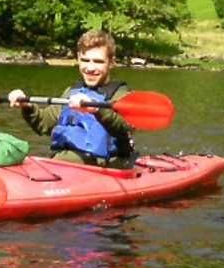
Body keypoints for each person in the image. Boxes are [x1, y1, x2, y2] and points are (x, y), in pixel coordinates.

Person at [8, 28, 136, 169]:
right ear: (78, 59)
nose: (90, 68)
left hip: (103, 168)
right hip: (65, 163)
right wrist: (27, 105)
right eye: (85, 60)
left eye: (98, 62)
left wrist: (96, 109)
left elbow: (125, 129)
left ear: (111, 62)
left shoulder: (123, 95)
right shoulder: (72, 91)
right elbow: (43, 124)